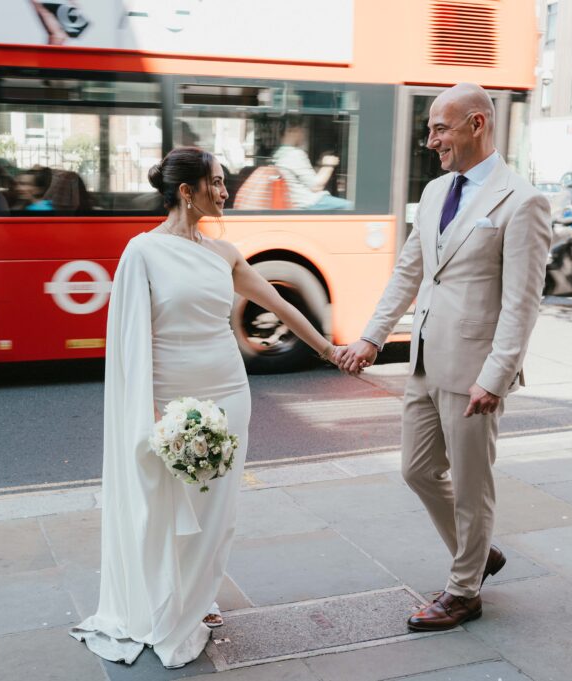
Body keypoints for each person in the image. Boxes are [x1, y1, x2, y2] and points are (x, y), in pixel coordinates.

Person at [70, 146, 341, 669]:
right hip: (169, 402)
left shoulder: (225, 253)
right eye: (216, 183)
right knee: (167, 507)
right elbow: (130, 343)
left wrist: (331, 351)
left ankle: (193, 600)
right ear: (186, 192)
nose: (225, 191)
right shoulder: (142, 253)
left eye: (223, 181)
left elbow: (281, 304)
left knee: (216, 513)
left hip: (228, 396)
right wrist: (146, 415)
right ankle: (165, 602)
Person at [338, 83, 551, 632]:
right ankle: (479, 554)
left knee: (473, 486)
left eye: (441, 128)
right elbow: (410, 270)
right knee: (417, 470)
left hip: (475, 372)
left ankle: (463, 592)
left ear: (477, 124)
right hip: (426, 361)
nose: (430, 139)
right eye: (431, 128)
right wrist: (372, 337)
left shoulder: (521, 200)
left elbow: (522, 302)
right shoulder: (435, 192)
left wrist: (497, 377)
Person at [273, 116, 352, 210]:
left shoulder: (278, 154)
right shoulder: (294, 154)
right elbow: (316, 186)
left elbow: (303, 180)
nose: (304, 134)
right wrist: (329, 165)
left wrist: (320, 165)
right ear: (293, 130)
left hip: (297, 202)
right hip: (308, 203)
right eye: (303, 130)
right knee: (352, 207)